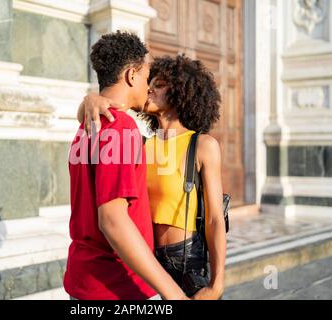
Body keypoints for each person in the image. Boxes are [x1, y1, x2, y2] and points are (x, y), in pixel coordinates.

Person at [78, 54, 226, 300]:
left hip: (186, 263)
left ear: (181, 91)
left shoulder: (202, 145)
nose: (149, 90)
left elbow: (214, 220)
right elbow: (105, 107)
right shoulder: (138, 142)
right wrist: (90, 99)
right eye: (149, 84)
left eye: (159, 85)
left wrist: (217, 283)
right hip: (145, 260)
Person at [63, 31, 189, 300]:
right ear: (132, 75)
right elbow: (113, 221)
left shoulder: (86, 126)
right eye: (146, 77)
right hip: (116, 286)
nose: (148, 87)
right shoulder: (121, 127)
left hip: (84, 280)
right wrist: (173, 293)